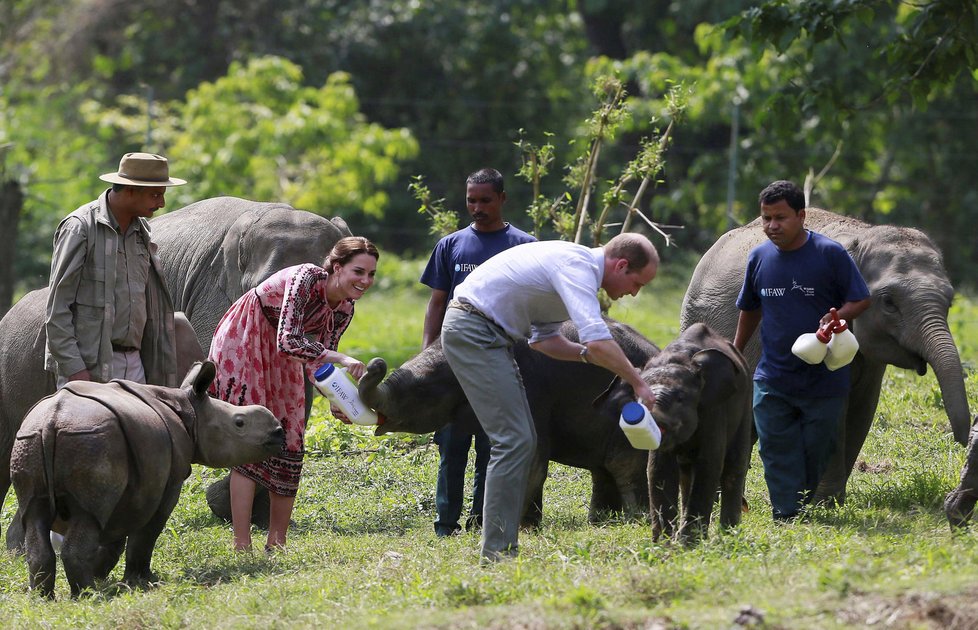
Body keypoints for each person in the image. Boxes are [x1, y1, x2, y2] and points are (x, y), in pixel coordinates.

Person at [440, 233, 659, 562]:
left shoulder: (570, 271)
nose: (634, 292)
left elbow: (544, 342)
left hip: (491, 335)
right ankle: (497, 554)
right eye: (636, 283)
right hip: (474, 329)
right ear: (621, 265)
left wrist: (586, 356)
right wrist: (638, 382)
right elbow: (598, 339)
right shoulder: (578, 267)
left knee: (521, 439)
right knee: (513, 441)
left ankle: (500, 546)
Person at [208, 236, 379, 551]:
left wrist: (336, 399)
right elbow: (288, 339)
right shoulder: (307, 278)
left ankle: (278, 543)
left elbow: (319, 363)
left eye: (370, 275)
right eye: (358, 272)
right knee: (252, 437)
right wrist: (340, 358)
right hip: (249, 336)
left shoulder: (344, 308)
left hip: (284, 354)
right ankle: (241, 544)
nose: (365, 281)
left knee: (291, 439)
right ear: (336, 267)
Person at [733, 180, 871, 521]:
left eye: (780, 218)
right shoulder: (759, 258)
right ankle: (786, 513)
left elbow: (861, 298)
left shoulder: (830, 254)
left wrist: (839, 315)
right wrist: (736, 350)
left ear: (802, 215)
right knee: (775, 448)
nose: (771, 226)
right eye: (766, 218)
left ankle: (798, 500)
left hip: (824, 378)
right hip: (773, 376)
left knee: (818, 448)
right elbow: (750, 308)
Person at [420, 167, 536, 538]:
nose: (477, 207)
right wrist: (427, 355)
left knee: (494, 445)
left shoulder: (524, 245)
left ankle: (483, 520)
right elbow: (437, 302)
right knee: (451, 446)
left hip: (504, 358)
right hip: (452, 361)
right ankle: (445, 524)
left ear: (502, 199)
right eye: (471, 199)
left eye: (485, 200)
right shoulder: (451, 245)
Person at [45, 152, 186, 389]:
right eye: (155, 195)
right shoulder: (80, 228)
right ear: (130, 190)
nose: (161, 203)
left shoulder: (142, 234)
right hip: (90, 367)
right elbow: (57, 308)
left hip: (136, 365)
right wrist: (75, 369)